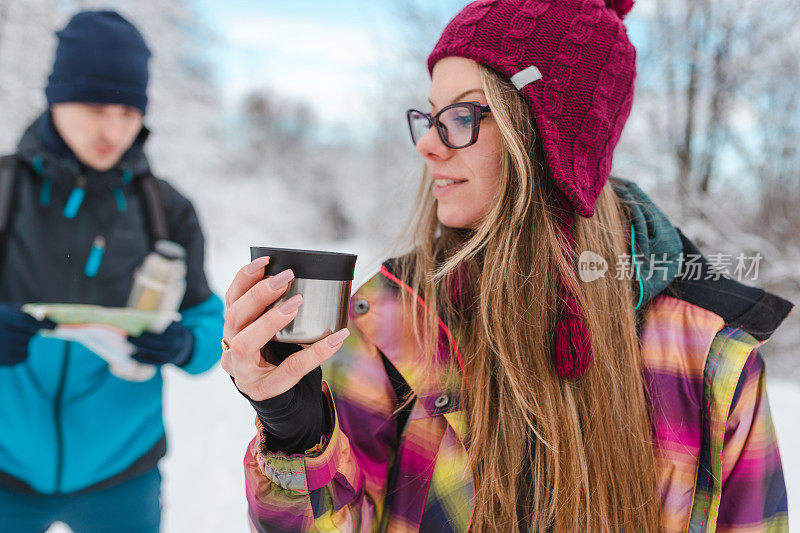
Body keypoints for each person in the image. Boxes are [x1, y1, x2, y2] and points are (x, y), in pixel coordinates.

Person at [221, 1, 793, 531]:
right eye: (430, 116)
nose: (426, 146)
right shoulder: (394, 321)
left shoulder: (708, 353)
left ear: (550, 137)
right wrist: (296, 431)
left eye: (463, 115)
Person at [0, 10, 224, 532]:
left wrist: (186, 345)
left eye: (128, 111)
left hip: (123, 475)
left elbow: (208, 323)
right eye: (95, 106)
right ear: (55, 97)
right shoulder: (4, 192)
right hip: (4, 469)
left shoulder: (165, 208)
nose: (113, 129)